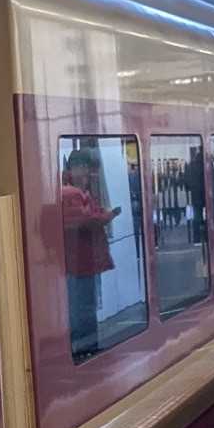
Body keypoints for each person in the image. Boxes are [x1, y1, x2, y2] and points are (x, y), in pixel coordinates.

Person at [60, 147, 121, 360]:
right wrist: (108, 216)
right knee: (82, 306)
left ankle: (89, 346)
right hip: (78, 260)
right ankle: (82, 348)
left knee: (87, 305)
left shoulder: (80, 192)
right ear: (74, 168)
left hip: (84, 259)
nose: (88, 172)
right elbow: (83, 220)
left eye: (88, 168)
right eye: (84, 167)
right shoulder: (70, 193)